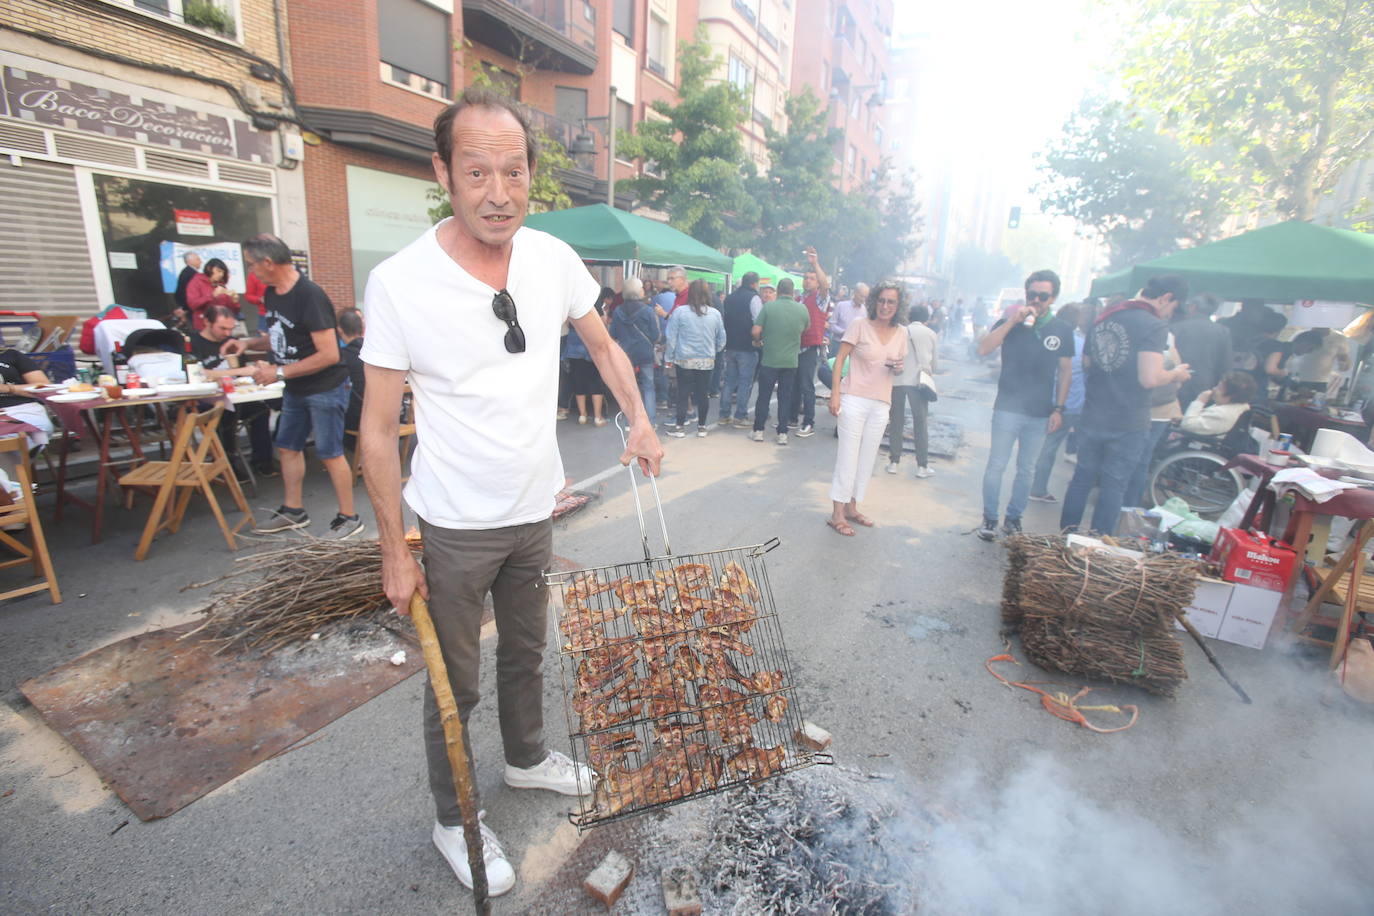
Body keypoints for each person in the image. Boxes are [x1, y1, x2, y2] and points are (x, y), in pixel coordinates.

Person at [359, 88, 662, 897]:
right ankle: (453, 819)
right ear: (444, 175)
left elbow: (603, 348)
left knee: (526, 654)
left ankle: (526, 760)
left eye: (515, 171)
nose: (500, 192)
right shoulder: (399, 284)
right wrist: (394, 551)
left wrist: (638, 419)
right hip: (454, 525)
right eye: (478, 172)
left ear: (533, 176)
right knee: (453, 683)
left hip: (537, 512)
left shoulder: (554, 260)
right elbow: (376, 430)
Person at [226, 233, 362, 539]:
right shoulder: (273, 293)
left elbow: (329, 353)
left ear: (268, 262)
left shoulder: (309, 295)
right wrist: (247, 341)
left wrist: (279, 372)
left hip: (325, 386)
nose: (251, 272)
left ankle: (349, 517)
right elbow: (280, 335)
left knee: (329, 452)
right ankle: (293, 511)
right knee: (287, 447)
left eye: (251, 265)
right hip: (295, 387)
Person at [1060, 274, 1192, 535]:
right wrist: (1175, 374)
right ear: (1166, 298)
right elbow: (1149, 378)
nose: (1170, 314)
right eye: (1173, 307)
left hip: (1093, 413)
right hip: (1128, 419)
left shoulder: (1106, 316)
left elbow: (1087, 362)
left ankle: (1067, 536)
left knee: (1082, 479)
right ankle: (1097, 541)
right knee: (1114, 484)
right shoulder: (1153, 325)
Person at [976, 270, 1075, 541]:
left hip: (1040, 412)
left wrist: (1059, 408)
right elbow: (984, 349)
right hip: (1007, 407)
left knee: (1027, 469)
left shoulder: (1062, 330)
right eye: (1032, 294)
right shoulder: (1010, 322)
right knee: (996, 465)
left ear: (1053, 297)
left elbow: (1066, 371)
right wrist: (1012, 321)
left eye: (1043, 296)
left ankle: (1014, 518)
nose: (1037, 300)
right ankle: (990, 518)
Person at [826, 283, 909, 535]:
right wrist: (835, 394)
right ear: (874, 302)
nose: (885, 306)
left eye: (891, 302)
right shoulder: (859, 325)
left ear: (898, 306)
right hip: (853, 399)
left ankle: (852, 507)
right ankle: (837, 513)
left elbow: (900, 365)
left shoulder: (902, 332)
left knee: (867, 458)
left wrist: (897, 368)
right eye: (882, 301)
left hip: (881, 403)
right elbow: (840, 359)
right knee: (848, 456)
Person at [189, 304, 278, 479]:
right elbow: (196, 373)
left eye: (231, 329)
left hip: (235, 396)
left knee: (260, 410)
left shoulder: (230, 342)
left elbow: (243, 370)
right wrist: (237, 372)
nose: (227, 333)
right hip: (207, 400)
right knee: (223, 416)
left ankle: (262, 460)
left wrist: (257, 367)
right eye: (222, 328)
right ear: (207, 322)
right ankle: (228, 465)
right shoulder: (193, 343)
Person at [1028, 304, 1084, 503]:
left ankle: (1031, 483)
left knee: (1042, 444)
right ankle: (1037, 488)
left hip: (1044, 399)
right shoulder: (1080, 344)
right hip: (1068, 404)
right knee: (1048, 447)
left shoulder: (1045, 338)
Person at [751, 277, 810, 445]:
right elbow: (806, 328)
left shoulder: (769, 307)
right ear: (792, 291)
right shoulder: (802, 309)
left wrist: (758, 341)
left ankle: (758, 431)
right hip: (790, 361)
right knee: (785, 397)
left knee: (763, 395)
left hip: (770, 359)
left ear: (778, 290)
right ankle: (782, 433)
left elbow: (755, 330)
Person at [665, 279, 726, 437]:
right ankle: (702, 426)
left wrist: (669, 357)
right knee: (702, 393)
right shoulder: (715, 314)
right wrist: (714, 351)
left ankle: (679, 427)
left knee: (683, 392)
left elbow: (671, 337)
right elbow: (722, 339)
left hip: (684, 359)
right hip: (706, 360)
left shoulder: (680, 312)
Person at [886, 303, 939, 478]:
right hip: (919, 383)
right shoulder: (931, 334)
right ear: (927, 319)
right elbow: (934, 364)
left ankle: (894, 462)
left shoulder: (901, 331)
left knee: (896, 422)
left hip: (898, 381)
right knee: (920, 423)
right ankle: (922, 466)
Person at [789, 247, 830, 438]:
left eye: (811, 278)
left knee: (806, 385)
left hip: (810, 346)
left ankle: (809, 422)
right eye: (806, 278)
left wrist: (815, 263)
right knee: (795, 384)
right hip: (795, 346)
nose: (807, 280)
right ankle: (791, 418)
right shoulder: (799, 298)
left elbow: (825, 285)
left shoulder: (821, 298)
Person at [608, 277, 659, 425]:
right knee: (648, 386)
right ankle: (650, 421)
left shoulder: (618, 311)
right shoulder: (648, 311)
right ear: (638, 291)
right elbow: (655, 335)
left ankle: (631, 421)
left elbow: (613, 334)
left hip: (626, 354)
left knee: (629, 388)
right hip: (645, 353)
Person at [1172, 295, 1232, 408]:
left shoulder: (1176, 328)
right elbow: (1226, 364)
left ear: (1193, 307)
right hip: (1206, 385)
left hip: (1177, 382)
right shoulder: (1222, 331)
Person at [719, 271, 763, 426]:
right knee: (745, 382)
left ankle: (724, 414)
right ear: (753, 283)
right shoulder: (754, 298)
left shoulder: (729, 298)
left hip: (730, 345)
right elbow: (757, 321)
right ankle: (740, 416)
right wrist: (758, 340)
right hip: (747, 345)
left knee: (729, 381)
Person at [564, 305, 607, 426]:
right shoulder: (594, 301)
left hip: (574, 346)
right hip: (592, 346)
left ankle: (582, 415)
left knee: (578, 381)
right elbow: (603, 322)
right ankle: (598, 417)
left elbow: (567, 323)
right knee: (595, 381)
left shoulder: (572, 304)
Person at [1179, 371, 1256, 436]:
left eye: (1219, 388)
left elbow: (1187, 425)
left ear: (1230, 396)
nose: (1214, 389)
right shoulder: (1239, 407)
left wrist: (1200, 401)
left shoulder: (1221, 414)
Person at [338, 307, 366, 447]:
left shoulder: (341, 357)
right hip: (386, 416)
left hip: (357, 420)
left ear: (340, 330)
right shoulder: (374, 353)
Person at [186, 258, 240, 331]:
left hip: (222, 327)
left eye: (223, 272)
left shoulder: (221, 285)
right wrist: (212, 296)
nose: (221, 274)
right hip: (203, 326)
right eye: (218, 271)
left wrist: (235, 302)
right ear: (209, 268)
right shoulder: (196, 282)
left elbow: (232, 311)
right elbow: (192, 304)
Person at [827, 282, 868, 359]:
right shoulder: (841, 306)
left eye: (865, 297)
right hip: (838, 344)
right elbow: (831, 325)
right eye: (861, 296)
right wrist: (843, 332)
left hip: (855, 348)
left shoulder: (865, 311)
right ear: (855, 293)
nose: (863, 299)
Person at [173, 250, 201, 329]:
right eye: (197, 259)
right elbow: (183, 292)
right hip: (190, 309)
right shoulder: (189, 273)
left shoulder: (189, 272)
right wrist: (186, 308)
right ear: (189, 261)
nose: (200, 261)